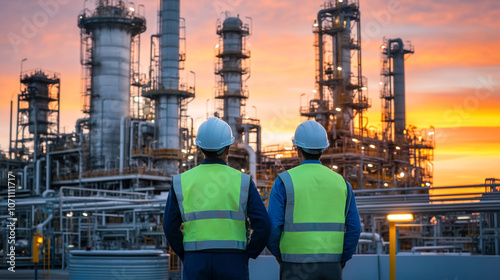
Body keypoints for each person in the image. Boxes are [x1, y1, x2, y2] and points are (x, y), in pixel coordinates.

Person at [163, 117, 271, 280]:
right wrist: (248, 253)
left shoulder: (180, 181)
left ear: (199, 148)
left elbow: (169, 226)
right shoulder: (243, 181)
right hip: (233, 260)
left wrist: (186, 253)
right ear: (228, 149)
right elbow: (263, 224)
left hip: (195, 260)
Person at [267, 120, 361, 280]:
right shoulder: (342, 184)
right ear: (323, 149)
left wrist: (279, 254)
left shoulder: (284, 181)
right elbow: (354, 229)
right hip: (332, 265)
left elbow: (273, 227)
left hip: (294, 265)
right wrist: (342, 257)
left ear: (298, 150)